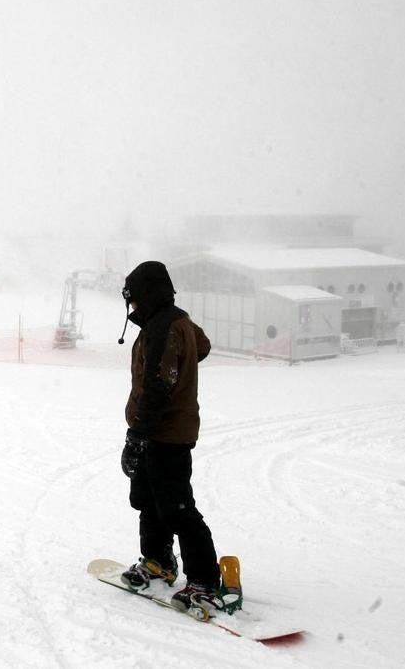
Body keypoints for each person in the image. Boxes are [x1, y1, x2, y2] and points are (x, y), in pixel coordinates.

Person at [115, 261, 233, 617]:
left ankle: (205, 580)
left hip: (166, 434)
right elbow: (203, 346)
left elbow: (157, 388)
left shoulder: (165, 327)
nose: (132, 306)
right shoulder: (171, 322)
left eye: (134, 299)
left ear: (147, 295)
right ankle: (159, 561)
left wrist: (137, 436)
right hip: (158, 431)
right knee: (148, 500)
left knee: (177, 508)